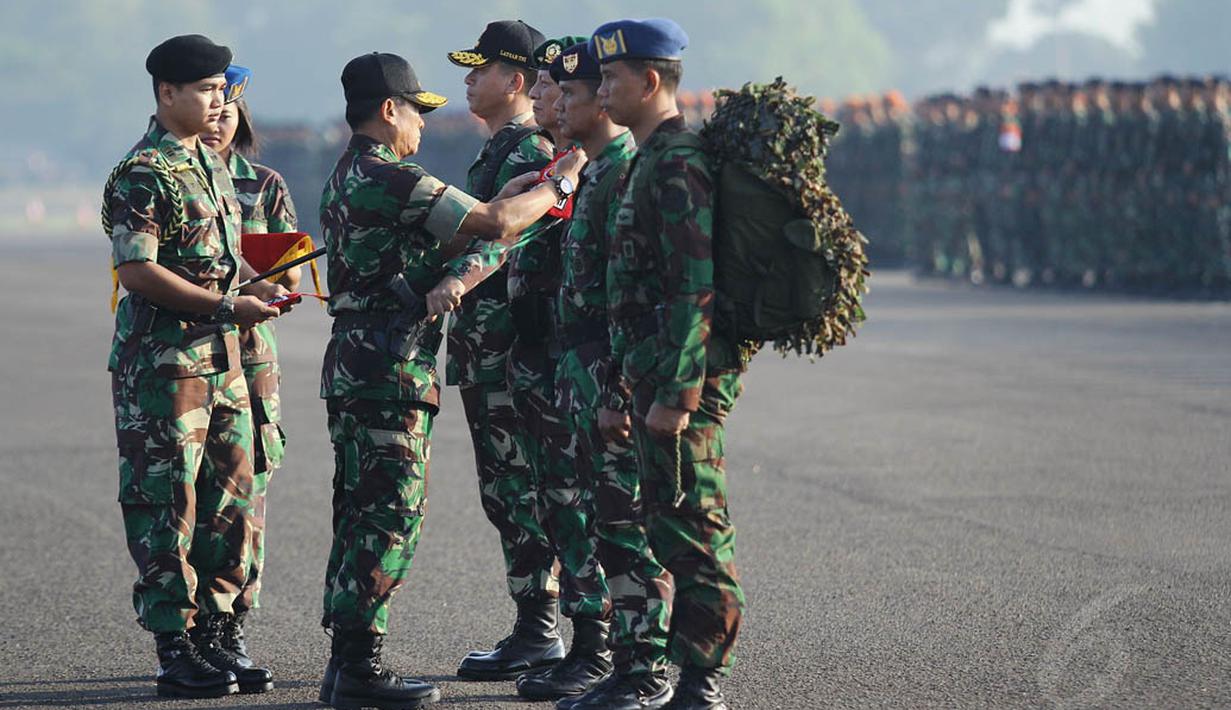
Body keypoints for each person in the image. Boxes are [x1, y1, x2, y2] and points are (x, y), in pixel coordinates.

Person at [317, 50, 585, 710]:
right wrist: (557, 187)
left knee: (359, 512)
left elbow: (448, 232)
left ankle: (347, 663)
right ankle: (359, 670)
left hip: (357, 361)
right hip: (388, 366)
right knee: (387, 518)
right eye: (414, 111)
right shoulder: (391, 174)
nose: (422, 125)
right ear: (388, 111)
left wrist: (492, 206)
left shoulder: (349, 174)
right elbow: (494, 227)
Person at [103, 33, 285, 699]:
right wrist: (223, 304)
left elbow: (225, 257)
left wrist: (256, 291)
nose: (217, 102)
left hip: (226, 362)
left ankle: (216, 634)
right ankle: (173, 646)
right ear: (167, 93)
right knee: (165, 505)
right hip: (166, 368)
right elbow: (138, 268)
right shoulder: (145, 171)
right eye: (205, 90)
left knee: (229, 500)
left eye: (221, 90)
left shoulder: (207, 165)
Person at [590, 18, 745, 710]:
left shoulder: (678, 160)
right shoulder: (648, 158)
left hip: (681, 382)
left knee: (694, 525)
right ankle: (686, 678)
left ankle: (702, 681)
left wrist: (678, 395)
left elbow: (693, 284)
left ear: (649, 80)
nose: (599, 91)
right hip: (649, 374)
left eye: (609, 78)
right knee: (664, 523)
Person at [521, 39, 675, 706]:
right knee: (603, 524)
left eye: (577, 92)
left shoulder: (623, 173)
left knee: (629, 527)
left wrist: (616, 389)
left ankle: (646, 671)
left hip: (614, 382)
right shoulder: (593, 172)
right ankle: (621, 660)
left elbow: (639, 297)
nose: (560, 101)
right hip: (584, 379)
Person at [443, 20, 569, 681]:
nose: (467, 79)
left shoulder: (525, 154)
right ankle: (535, 626)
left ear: (514, 81)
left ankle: (543, 629)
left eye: (480, 69)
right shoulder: (497, 152)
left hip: (510, 354)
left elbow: (499, 244)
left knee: (523, 491)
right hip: (486, 351)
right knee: (506, 489)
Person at [194, 63, 299, 685]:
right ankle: (186, 631)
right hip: (183, 360)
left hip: (250, 360)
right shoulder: (165, 180)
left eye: (228, 113)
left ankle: (226, 625)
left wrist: (239, 284)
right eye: (211, 109)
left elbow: (290, 278)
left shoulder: (263, 185)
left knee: (242, 500)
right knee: (183, 496)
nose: (218, 122)